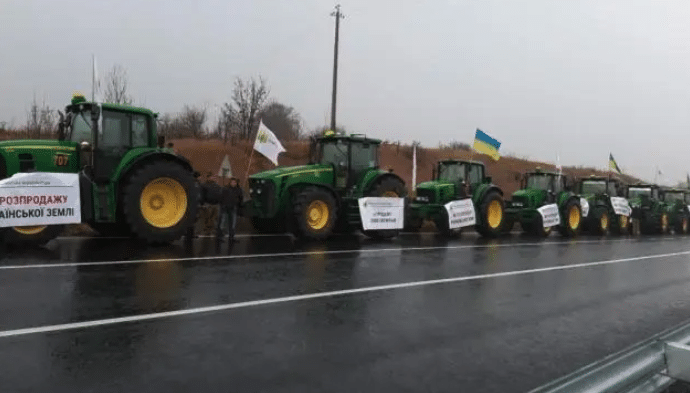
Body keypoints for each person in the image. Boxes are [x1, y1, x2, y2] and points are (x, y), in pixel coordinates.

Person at [216, 177, 244, 242]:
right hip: (225, 208)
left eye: (234, 182)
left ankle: (231, 237)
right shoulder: (225, 188)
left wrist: (240, 207)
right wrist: (222, 205)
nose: (233, 183)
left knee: (232, 224)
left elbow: (241, 199)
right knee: (222, 223)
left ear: (236, 183)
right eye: (232, 182)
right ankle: (220, 236)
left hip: (233, 208)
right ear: (230, 182)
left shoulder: (238, 189)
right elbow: (220, 197)